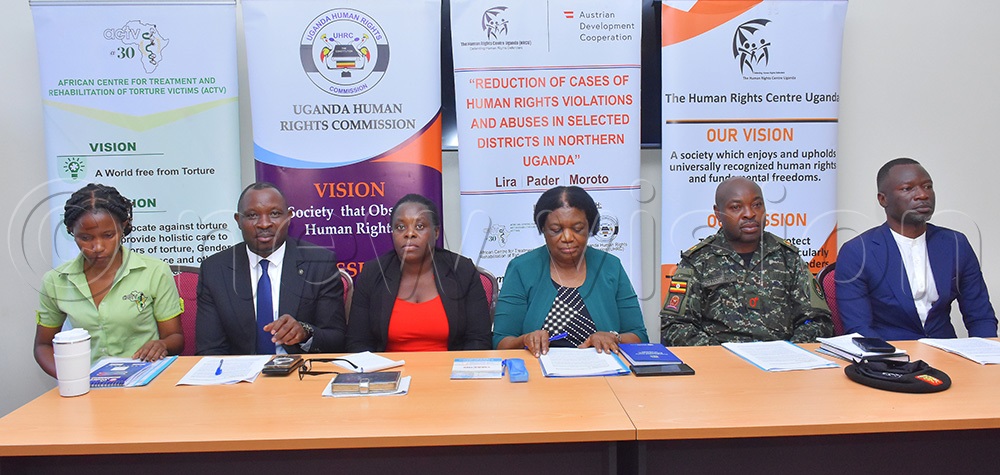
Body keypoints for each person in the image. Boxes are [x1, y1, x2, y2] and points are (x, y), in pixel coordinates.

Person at [837, 158, 997, 339]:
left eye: (928, 186)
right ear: (883, 199)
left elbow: (981, 317)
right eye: (907, 188)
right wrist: (890, 362)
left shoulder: (955, 244)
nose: (922, 195)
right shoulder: (858, 252)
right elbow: (859, 328)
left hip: (946, 358)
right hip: (889, 358)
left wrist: (985, 360)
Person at [661, 177, 832, 346]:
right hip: (721, 365)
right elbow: (675, 326)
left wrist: (792, 351)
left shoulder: (789, 258)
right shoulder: (698, 261)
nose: (750, 214)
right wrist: (719, 356)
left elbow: (818, 321)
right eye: (736, 207)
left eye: (757, 205)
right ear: (718, 213)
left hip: (781, 365)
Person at [34, 184, 183, 377]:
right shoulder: (56, 281)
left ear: (124, 226)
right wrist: (73, 377)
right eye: (85, 238)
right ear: (72, 231)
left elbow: (175, 338)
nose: (97, 246)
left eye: (108, 235)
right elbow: (43, 345)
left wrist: (161, 344)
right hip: (87, 386)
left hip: (143, 379)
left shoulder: (154, 272)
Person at [493, 186, 649, 356]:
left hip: (604, 375)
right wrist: (525, 340)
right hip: (538, 375)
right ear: (543, 229)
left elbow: (639, 336)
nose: (567, 238)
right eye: (556, 230)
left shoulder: (611, 266)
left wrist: (613, 337)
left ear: (591, 228)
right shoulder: (521, 269)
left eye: (577, 228)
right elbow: (501, 342)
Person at [196, 182, 346, 355]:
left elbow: (337, 340)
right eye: (252, 215)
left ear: (288, 217)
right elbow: (209, 349)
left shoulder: (319, 263)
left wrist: (305, 333)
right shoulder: (215, 270)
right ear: (238, 221)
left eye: (274, 214)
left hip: (300, 374)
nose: (264, 224)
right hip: (241, 377)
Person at [346, 194, 492, 351]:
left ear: (436, 232)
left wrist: (460, 373)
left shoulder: (462, 271)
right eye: (400, 227)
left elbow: (479, 339)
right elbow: (357, 342)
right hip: (390, 373)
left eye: (420, 226)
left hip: (449, 372)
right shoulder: (372, 273)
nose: (409, 234)